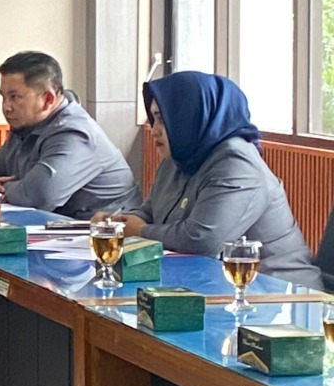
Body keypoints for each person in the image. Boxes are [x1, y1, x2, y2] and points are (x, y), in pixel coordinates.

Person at [97, 72, 321, 286]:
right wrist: (119, 223)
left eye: (163, 120)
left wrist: (140, 231)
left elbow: (202, 240)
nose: (154, 130)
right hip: (211, 282)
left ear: (191, 117)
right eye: (153, 119)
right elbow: (150, 211)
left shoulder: (237, 163)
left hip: (278, 291)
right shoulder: (179, 157)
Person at [0, 51, 139, 219]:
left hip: (107, 232)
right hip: (59, 230)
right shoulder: (24, 128)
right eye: (4, 97)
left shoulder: (75, 134)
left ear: (48, 99)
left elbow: (38, 196)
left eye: (15, 97)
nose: (6, 107)